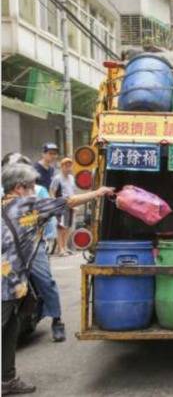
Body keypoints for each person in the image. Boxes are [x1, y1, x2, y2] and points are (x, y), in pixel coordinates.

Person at [2, 162, 113, 395]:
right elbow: (68, 202)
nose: (34, 189)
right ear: (20, 188)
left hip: (14, 283)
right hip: (6, 283)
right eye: (32, 185)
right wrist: (99, 192)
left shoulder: (5, 205)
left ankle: (6, 379)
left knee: (10, 331)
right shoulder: (26, 205)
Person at [2, 154, 66, 343]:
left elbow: (50, 213)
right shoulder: (4, 190)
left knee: (45, 280)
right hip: (6, 246)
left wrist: (48, 236)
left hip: (32, 244)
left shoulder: (38, 191)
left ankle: (57, 319)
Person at [50, 158, 76, 256]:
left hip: (71, 204)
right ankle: (61, 249)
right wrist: (55, 204)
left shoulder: (72, 178)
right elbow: (52, 191)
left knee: (68, 227)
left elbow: (73, 191)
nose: (68, 167)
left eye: (70, 165)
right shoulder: (57, 178)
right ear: (62, 166)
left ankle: (65, 247)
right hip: (61, 204)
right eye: (66, 165)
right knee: (61, 227)